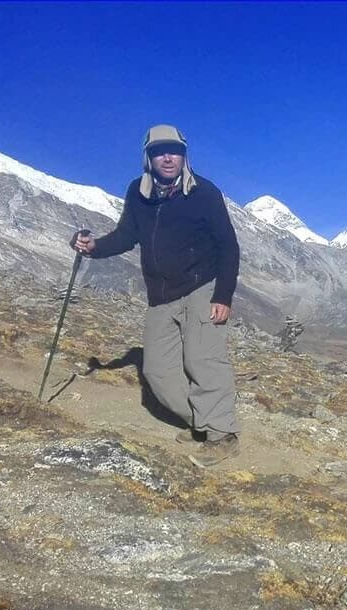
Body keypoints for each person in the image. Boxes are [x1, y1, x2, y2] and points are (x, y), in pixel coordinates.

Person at [71, 124, 242, 468]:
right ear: (148, 157)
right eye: (160, 151)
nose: (168, 157)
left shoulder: (204, 192)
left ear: (184, 155)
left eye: (175, 150)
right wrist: (93, 248)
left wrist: (222, 295)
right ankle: (200, 421)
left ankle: (222, 435)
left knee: (201, 360)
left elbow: (229, 247)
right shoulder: (139, 193)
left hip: (201, 287)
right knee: (158, 372)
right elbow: (126, 235)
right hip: (161, 294)